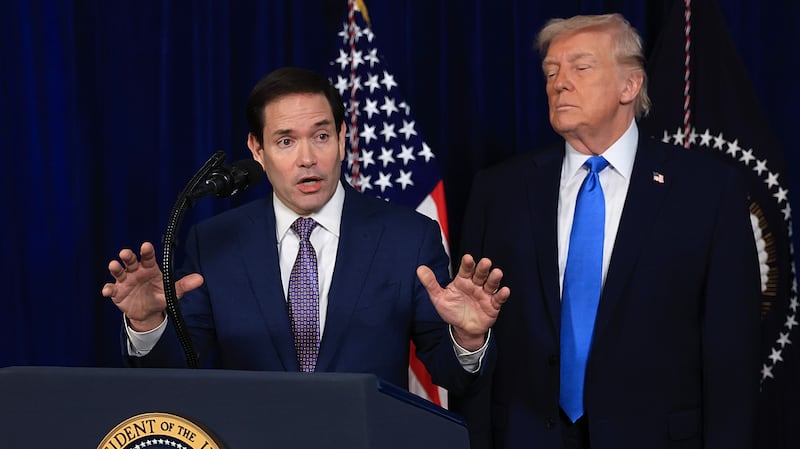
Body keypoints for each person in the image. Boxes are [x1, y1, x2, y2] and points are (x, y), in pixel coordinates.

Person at [101, 66, 509, 396]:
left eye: (320, 136)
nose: (308, 158)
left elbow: (451, 375)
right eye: (285, 141)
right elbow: (179, 371)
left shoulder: (409, 237)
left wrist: (468, 340)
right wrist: (148, 325)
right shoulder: (214, 243)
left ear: (342, 137)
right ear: (257, 150)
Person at [454, 13, 760, 449]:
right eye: (551, 72)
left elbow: (733, 359)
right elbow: (475, 337)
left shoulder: (707, 192)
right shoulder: (498, 191)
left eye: (580, 68)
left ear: (629, 86)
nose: (559, 83)